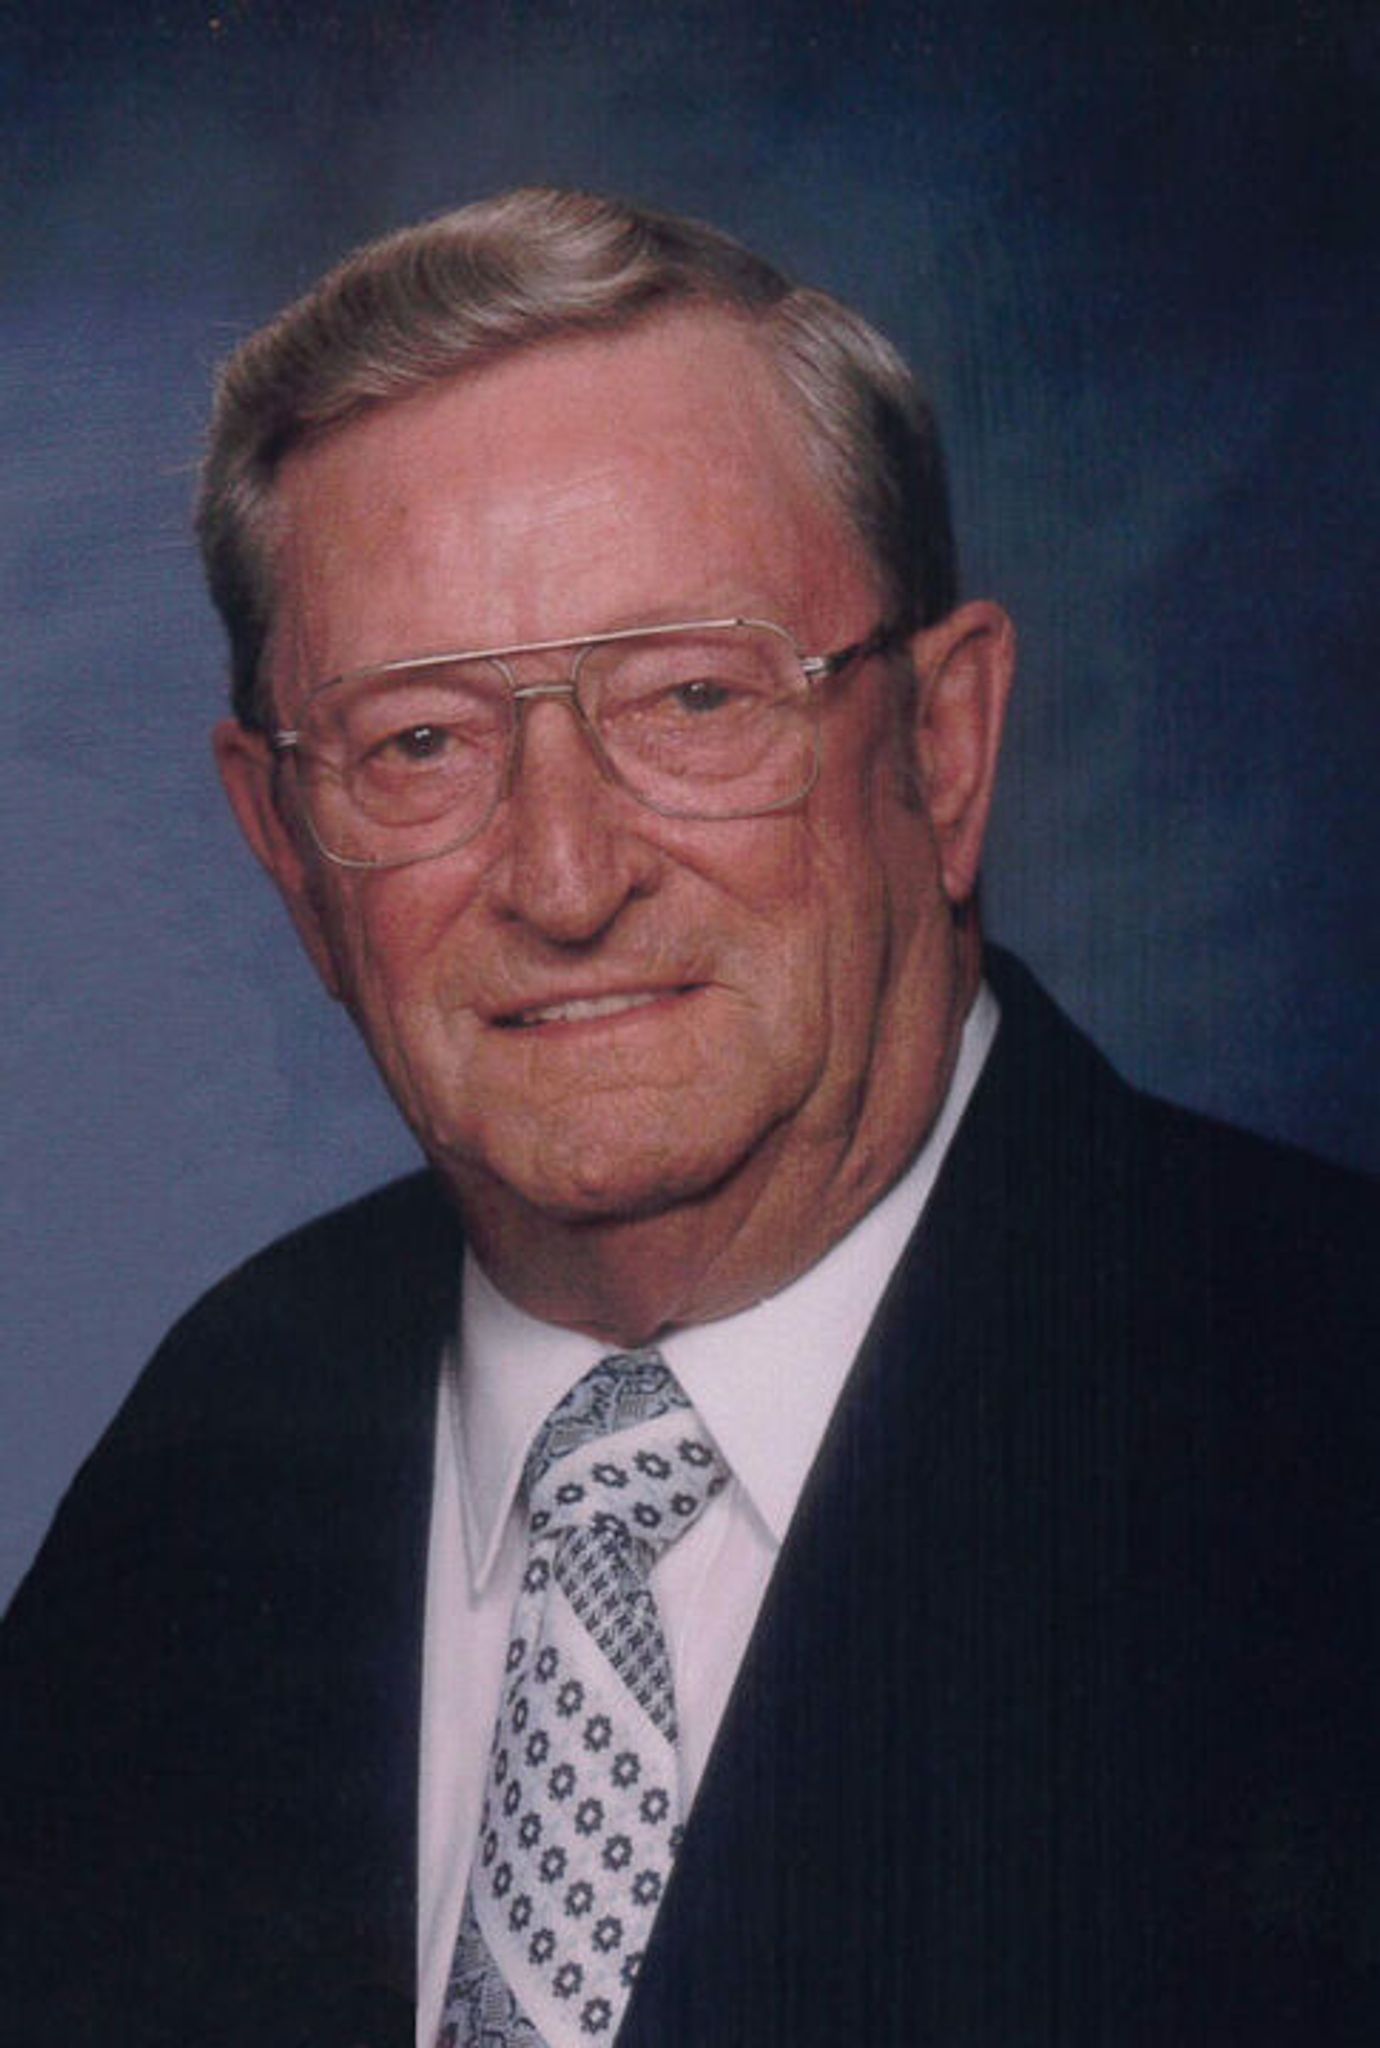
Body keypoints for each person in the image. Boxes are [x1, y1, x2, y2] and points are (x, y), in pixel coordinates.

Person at [2, 188, 1376, 2048]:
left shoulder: (1321, 1426)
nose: (566, 878)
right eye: (420, 742)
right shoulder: (208, 1457)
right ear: (287, 848)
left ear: (946, 743)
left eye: (694, 697)